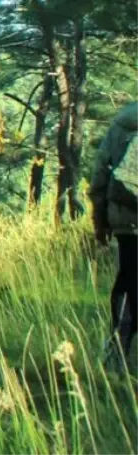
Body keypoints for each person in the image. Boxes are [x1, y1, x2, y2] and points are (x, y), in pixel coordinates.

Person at [89, 102, 138, 374]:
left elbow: (100, 173)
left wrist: (100, 219)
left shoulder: (123, 123)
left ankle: (116, 358)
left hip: (126, 221)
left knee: (128, 286)